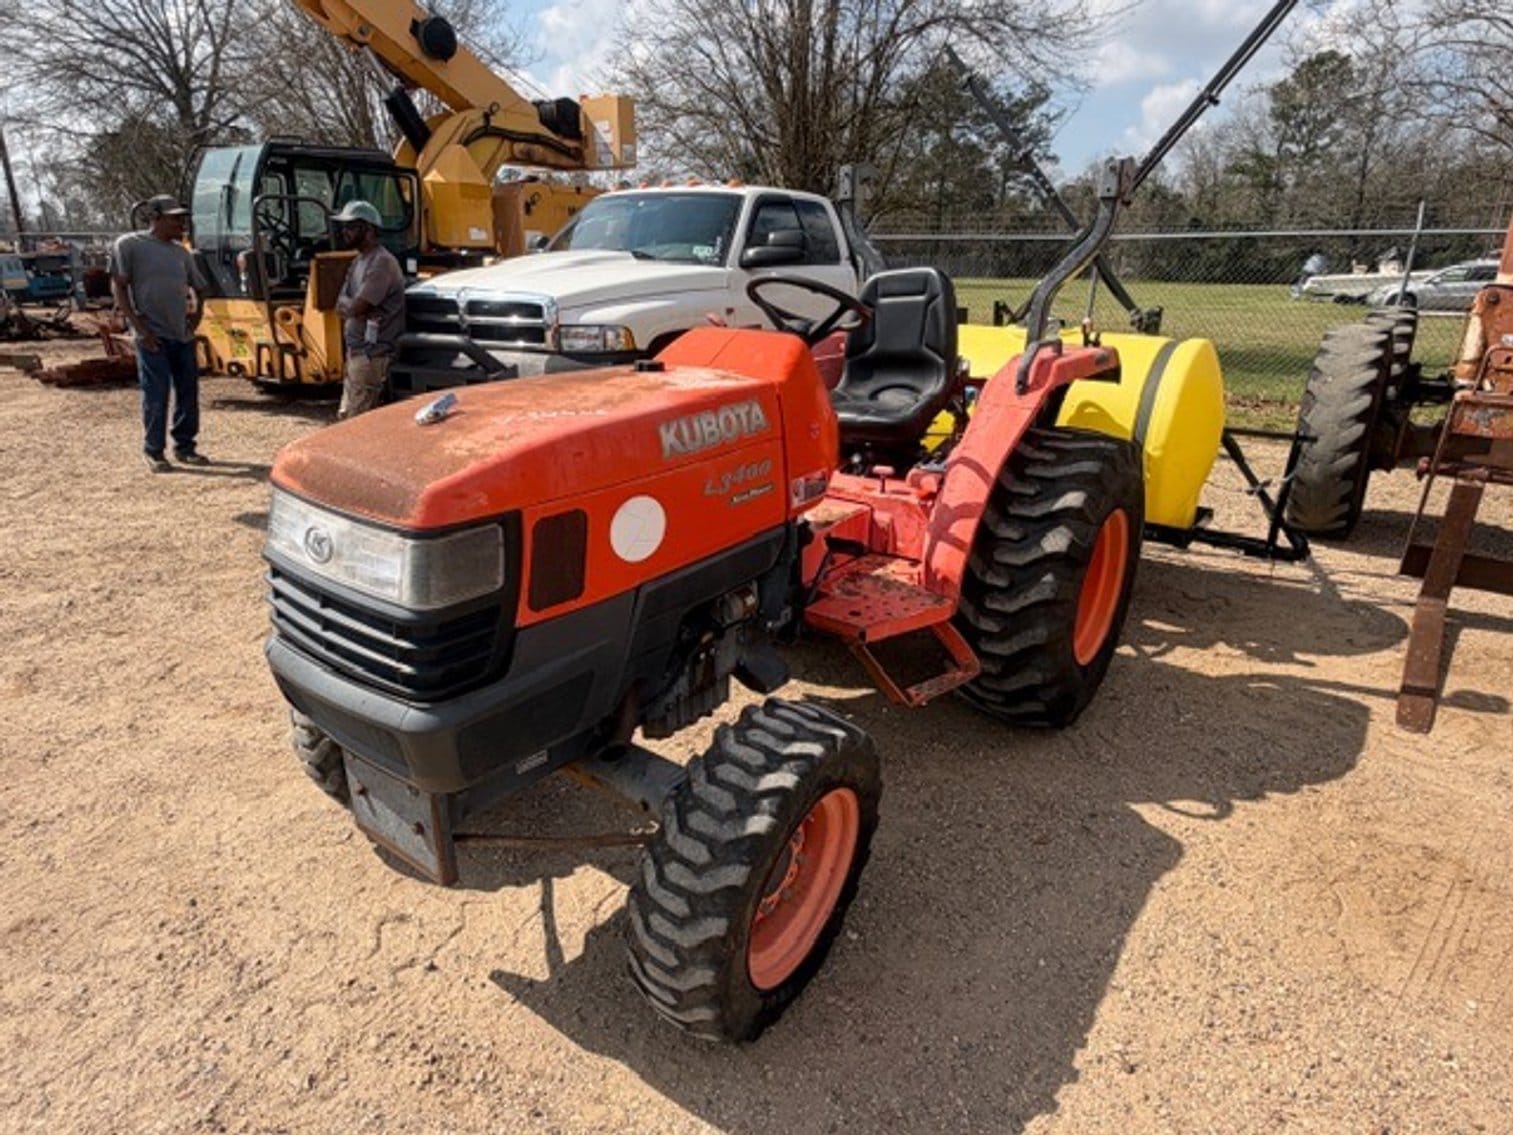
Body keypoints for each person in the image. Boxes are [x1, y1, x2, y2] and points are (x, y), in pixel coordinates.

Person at [110, 195, 208, 472]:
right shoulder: (130, 245)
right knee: (156, 394)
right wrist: (140, 329)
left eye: (182, 218)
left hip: (181, 335)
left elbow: (200, 289)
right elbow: (119, 287)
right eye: (175, 218)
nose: (181, 223)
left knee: (188, 392)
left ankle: (185, 446)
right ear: (156, 217)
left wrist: (194, 322)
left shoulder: (181, 253)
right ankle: (154, 450)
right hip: (152, 335)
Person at [331, 200, 405, 418]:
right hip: (356, 355)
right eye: (345, 226)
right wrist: (352, 306)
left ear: (369, 229)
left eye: (352, 226)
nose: (345, 231)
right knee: (348, 418)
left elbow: (356, 306)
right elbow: (341, 305)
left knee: (359, 422)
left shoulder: (381, 263)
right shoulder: (358, 262)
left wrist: (353, 306)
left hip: (372, 356)